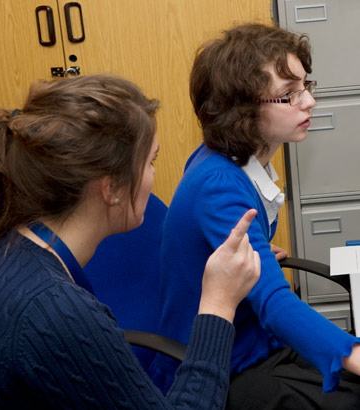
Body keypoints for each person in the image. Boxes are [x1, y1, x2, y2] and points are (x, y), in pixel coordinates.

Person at [0, 73, 261, 408]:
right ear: (111, 190)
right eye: (150, 162)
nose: (153, 175)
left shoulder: (15, 249)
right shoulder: (57, 313)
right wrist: (218, 305)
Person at [152, 23, 360, 409]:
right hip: (222, 365)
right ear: (243, 110)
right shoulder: (219, 182)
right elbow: (275, 303)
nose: (309, 102)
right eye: (289, 95)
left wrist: (258, 250)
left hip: (252, 342)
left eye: (304, 87)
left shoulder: (236, 158)